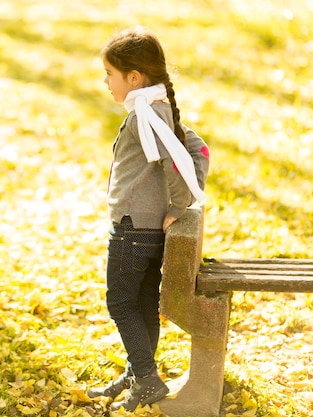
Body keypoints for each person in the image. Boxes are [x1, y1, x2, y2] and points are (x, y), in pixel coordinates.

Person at [86, 27, 210, 412]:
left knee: (120, 302)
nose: (106, 82)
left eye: (110, 74)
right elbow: (198, 148)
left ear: (134, 77)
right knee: (140, 303)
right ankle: (138, 372)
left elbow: (179, 158)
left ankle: (147, 378)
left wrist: (180, 204)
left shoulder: (146, 112)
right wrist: (182, 199)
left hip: (132, 228)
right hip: (145, 228)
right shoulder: (157, 107)